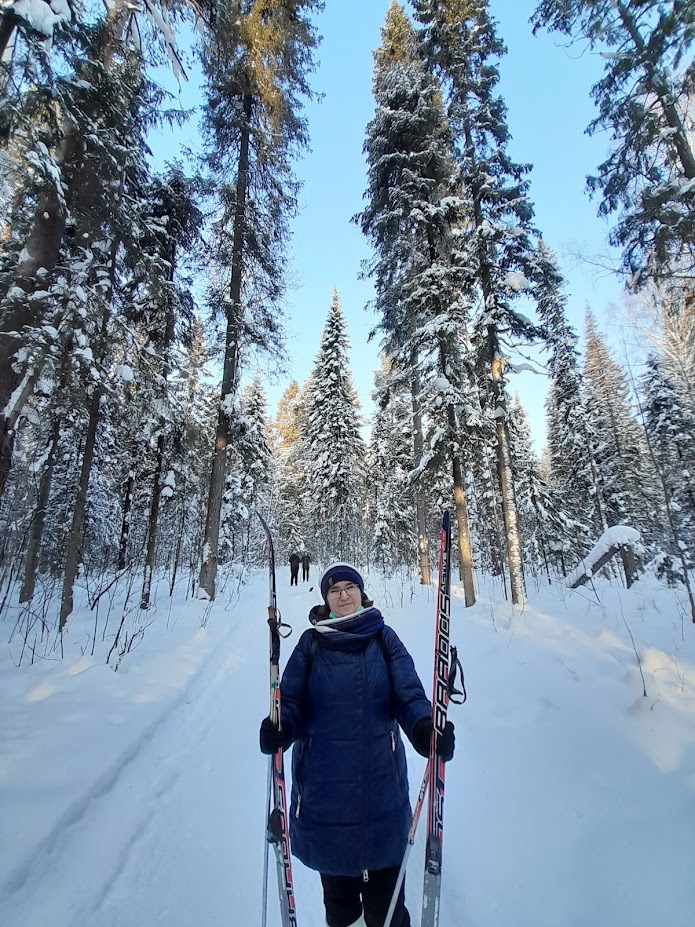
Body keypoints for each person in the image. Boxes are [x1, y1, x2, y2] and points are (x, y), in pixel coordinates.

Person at [259, 563, 455, 927]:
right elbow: (291, 703)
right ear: (326, 600)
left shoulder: (383, 638)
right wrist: (280, 728)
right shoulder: (311, 644)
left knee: (388, 911)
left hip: (380, 791)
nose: (343, 595)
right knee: (342, 911)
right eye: (335, 591)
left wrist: (425, 728)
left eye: (350, 587)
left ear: (362, 594)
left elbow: (408, 694)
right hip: (324, 798)